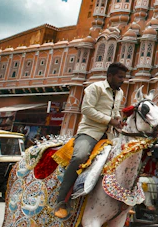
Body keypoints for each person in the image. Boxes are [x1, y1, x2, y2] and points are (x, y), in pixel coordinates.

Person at [54, 62, 127, 218]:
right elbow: (86, 109)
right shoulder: (95, 88)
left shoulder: (119, 93)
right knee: (79, 157)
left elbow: (115, 113)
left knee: (123, 160)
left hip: (109, 136)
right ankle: (61, 201)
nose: (123, 80)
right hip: (90, 133)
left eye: (124, 77)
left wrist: (118, 120)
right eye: (120, 77)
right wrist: (109, 120)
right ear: (110, 76)